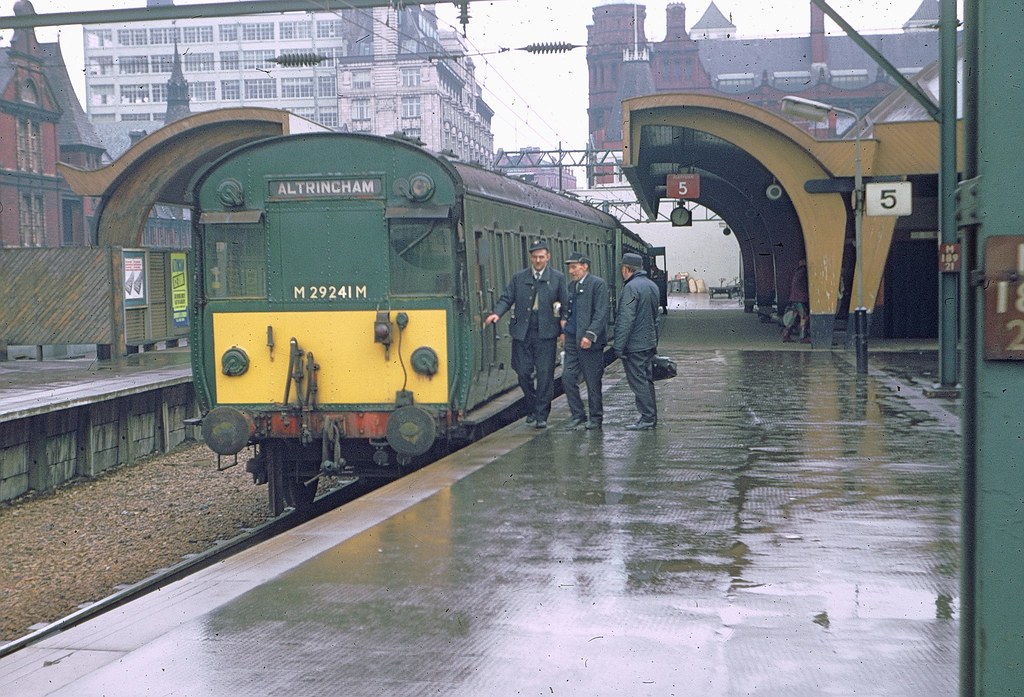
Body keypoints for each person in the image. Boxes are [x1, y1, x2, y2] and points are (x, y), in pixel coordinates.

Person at [485, 239, 568, 429]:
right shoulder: (519, 278)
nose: (538, 260)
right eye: (535, 257)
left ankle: (541, 415)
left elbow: (565, 305)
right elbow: (507, 298)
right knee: (522, 372)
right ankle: (531, 406)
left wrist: (563, 329)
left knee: (545, 375)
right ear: (530, 258)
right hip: (522, 332)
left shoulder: (557, 278)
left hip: (546, 333)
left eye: (541, 257)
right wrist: (496, 313)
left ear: (548, 257)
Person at [560, 251, 609, 431]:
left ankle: (595, 418)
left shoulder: (598, 285)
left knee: (592, 380)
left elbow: (601, 313)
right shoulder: (571, 286)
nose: (571, 271)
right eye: (570, 268)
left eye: (574, 267)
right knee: (567, 377)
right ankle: (578, 415)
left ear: (585, 266)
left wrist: (590, 334)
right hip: (572, 340)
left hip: (590, 342)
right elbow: (567, 309)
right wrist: (563, 327)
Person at [613, 252, 660, 430]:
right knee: (647, 380)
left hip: (635, 345)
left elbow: (626, 317)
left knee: (638, 381)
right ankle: (650, 416)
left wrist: (618, 346)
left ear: (626, 269)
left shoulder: (632, 289)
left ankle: (647, 418)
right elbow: (656, 318)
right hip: (648, 342)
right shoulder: (651, 285)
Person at [782, 259, 810, 344]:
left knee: (793, 317)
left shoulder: (798, 272)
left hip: (795, 298)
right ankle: (803, 337)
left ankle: (785, 335)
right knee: (804, 316)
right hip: (800, 299)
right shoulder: (804, 272)